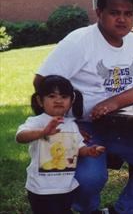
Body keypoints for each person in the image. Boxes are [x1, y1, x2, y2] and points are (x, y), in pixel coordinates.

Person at [33, 0, 133, 214]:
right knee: (90, 178)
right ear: (99, 13)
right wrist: (66, 128)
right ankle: (84, 209)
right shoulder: (79, 41)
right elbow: (42, 82)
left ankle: (125, 210)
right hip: (82, 126)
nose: (122, 19)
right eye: (114, 12)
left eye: (128, 14)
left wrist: (113, 103)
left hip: (121, 123)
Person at [16, 75, 105, 214]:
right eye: (51, 96)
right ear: (40, 100)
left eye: (64, 96)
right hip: (41, 189)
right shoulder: (37, 122)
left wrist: (89, 151)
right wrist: (42, 132)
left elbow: (78, 148)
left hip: (66, 187)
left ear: (71, 100)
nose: (58, 100)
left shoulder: (71, 125)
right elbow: (20, 137)